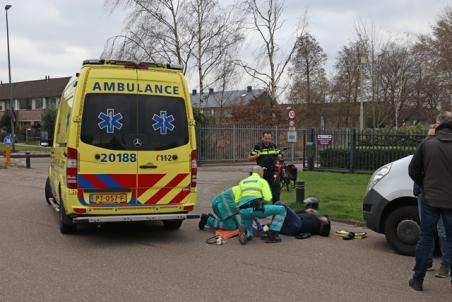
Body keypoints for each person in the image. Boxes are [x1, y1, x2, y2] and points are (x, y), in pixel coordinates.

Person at [408, 112, 452, 291]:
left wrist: (424, 185)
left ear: (439, 125)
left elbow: (413, 170)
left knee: (425, 238)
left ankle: (418, 280)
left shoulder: (427, 144)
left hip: (430, 199)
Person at [237, 166, 287, 244]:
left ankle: (246, 234)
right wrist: (264, 210)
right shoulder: (262, 181)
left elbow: (237, 200)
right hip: (255, 208)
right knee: (281, 209)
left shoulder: (242, 182)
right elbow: (268, 198)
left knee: (249, 225)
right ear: (261, 172)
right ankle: (273, 234)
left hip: (243, 210)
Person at [249, 131, 281, 203]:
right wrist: (256, 156)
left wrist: (279, 156)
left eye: (269, 138)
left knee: (276, 191)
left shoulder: (273, 146)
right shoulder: (258, 146)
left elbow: (280, 157)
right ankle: (259, 207)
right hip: (261, 172)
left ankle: (276, 207)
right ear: (262, 137)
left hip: (273, 171)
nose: (267, 140)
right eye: (266, 138)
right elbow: (250, 158)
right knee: (259, 191)